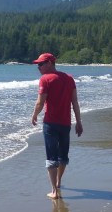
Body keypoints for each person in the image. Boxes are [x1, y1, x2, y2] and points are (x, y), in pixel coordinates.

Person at [30, 53, 83, 199]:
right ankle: (58, 182)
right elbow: (75, 102)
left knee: (52, 157)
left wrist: (34, 115)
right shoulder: (69, 78)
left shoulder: (45, 79)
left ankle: (54, 191)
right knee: (63, 155)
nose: (38, 67)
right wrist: (79, 122)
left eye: (40, 64)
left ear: (49, 63)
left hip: (51, 124)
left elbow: (40, 102)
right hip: (66, 123)